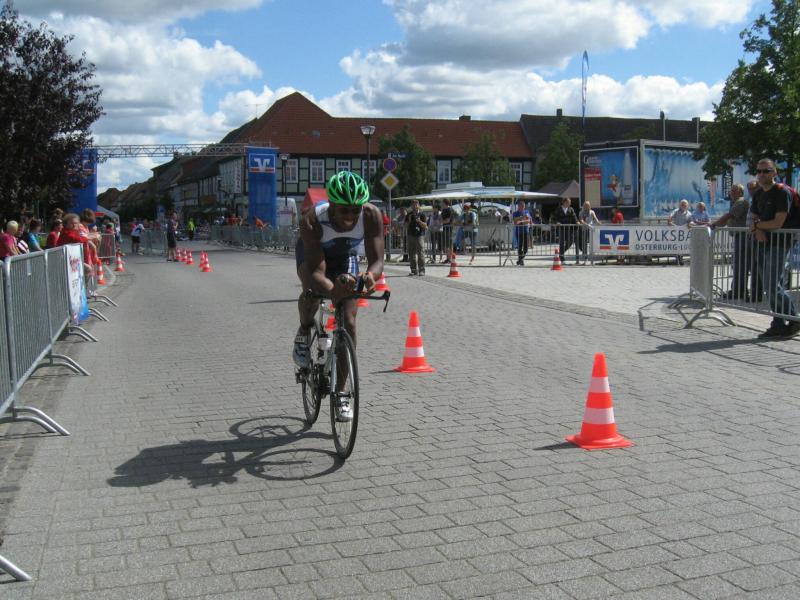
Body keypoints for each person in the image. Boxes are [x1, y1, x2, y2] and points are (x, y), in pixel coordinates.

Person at [293, 171, 384, 421]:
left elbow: (377, 260)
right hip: (314, 257)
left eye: (355, 209)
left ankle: (342, 392)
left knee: (349, 323)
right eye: (344, 210)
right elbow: (317, 272)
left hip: (345, 257)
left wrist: (370, 276)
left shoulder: (371, 215)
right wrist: (333, 291)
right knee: (312, 293)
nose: (350, 216)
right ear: (331, 204)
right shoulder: (312, 219)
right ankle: (303, 331)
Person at [749, 158, 799, 338]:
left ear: (774, 173)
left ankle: (794, 319)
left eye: (766, 171)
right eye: (759, 171)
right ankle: (778, 323)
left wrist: (758, 226)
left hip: (780, 243)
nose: (762, 174)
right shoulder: (758, 193)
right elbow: (752, 217)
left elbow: (778, 222)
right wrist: (757, 228)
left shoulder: (781, 192)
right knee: (770, 286)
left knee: (772, 286)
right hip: (762, 242)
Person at [711, 183, 750, 300]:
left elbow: (728, 216)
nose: (731, 193)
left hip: (742, 236)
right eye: (731, 191)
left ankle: (738, 291)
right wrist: (716, 224)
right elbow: (727, 220)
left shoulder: (740, 202)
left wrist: (714, 224)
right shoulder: (736, 202)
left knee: (739, 265)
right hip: (739, 236)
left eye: (734, 191)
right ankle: (738, 290)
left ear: (740, 192)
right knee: (738, 264)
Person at [405, 199, 428, 276]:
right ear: (411, 206)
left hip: (419, 235)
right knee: (411, 253)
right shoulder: (409, 214)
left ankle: (422, 270)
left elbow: (425, 226)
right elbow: (405, 225)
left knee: (420, 252)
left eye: (416, 205)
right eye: (413, 205)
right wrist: (409, 220)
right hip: (410, 235)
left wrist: (419, 221)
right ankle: (413, 270)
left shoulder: (422, 215)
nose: (414, 206)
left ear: (419, 206)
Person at [667, 199, 693, 265]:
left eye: (685, 205)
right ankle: (678, 258)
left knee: (683, 246)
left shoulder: (689, 214)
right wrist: (670, 222)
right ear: (680, 205)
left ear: (687, 206)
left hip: (684, 233)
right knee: (677, 245)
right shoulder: (676, 211)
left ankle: (681, 258)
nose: (683, 206)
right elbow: (670, 217)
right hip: (676, 232)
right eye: (682, 205)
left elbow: (691, 222)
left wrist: (690, 224)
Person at [553, 197, 578, 264]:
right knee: (561, 243)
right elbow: (554, 217)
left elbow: (574, 217)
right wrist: (557, 222)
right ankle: (562, 259)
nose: (569, 203)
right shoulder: (559, 209)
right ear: (564, 202)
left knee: (570, 241)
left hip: (569, 228)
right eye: (568, 202)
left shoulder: (571, 209)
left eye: (570, 202)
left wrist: (577, 222)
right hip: (561, 228)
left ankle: (561, 253)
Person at [512, 200, 532, 266]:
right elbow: (515, 220)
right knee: (520, 247)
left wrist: (520, 221)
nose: (522, 207)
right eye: (521, 206)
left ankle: (520, 260)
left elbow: (528, 220)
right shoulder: (515, 213)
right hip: (518, 232)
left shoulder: (527, 212)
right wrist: (523, 218)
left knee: (526, 248)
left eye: (523, 206)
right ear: (518, 206)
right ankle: (521, 260)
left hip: (526, 231)